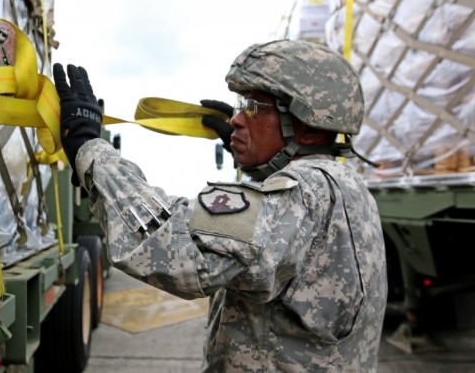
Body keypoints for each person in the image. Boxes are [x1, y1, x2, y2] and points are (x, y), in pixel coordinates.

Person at [53, 39, 388, 372]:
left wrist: (90, 149)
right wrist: (258, 158)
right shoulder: (347, 186)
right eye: (241, 105)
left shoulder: (303, 192)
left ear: (307, 127)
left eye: (254, 108)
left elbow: (180, 248)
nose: (238, 119)